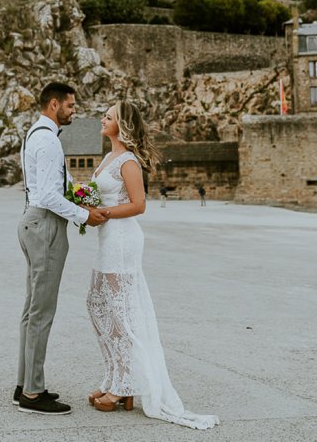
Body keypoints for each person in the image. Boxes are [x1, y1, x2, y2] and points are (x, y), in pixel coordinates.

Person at [86, 101, 218, 429]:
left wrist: (103, 213)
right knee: (98, 305)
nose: (103, 118)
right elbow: (101, 196)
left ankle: (124, 387)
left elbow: (139, 204)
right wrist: (86, 206)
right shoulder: (107, 158)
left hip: (122, 239)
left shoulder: (128, 161)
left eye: (109, 116)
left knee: (121, 312)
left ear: (122, 125)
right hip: (106, 237)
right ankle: (113, 376)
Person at [14, 82, 107, 416]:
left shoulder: (35, 134)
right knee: (42, 311)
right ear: (54, 105)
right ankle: (33, 394)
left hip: (32, 223)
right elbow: (50, 196)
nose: (73, 111)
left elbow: (59, 186)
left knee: (31, 309)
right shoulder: (48, 140)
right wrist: (85, 214)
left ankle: (24, 384)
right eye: (70, 106)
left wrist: (83, 194)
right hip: (45, 226)